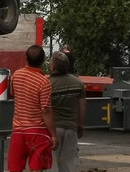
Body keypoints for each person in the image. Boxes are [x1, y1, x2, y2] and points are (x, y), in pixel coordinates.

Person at [8, 44, 58, 172]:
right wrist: (53, 134)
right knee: (36, 168)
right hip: (37, 132)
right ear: (43, 60)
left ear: (26, 58)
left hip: (18, 130)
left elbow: (13, 94)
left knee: (15, 168)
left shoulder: (16, 75)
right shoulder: (44, 82)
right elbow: (46, 110)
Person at [49, 51, 86, 172]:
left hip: (54, 129)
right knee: (69, 163)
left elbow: (45, 109)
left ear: (52, 67)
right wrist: (80, 124)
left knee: (52, 163)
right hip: (71, 128)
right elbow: (82, 105)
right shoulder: (78, 83)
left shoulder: (47, 84)